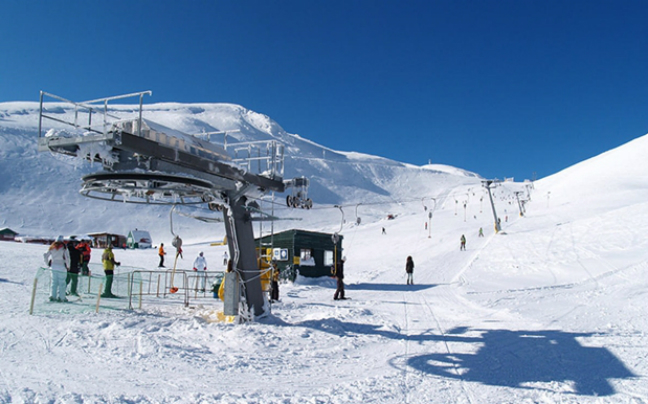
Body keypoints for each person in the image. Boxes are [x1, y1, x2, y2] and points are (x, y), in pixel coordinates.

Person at [44, 235, 70, 302]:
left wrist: (47, 264)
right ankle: (62, 297)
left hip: (53, 267)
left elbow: (45, 255)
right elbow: (67, 258)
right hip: (62, 267)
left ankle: (52, 296)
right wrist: (68, 266)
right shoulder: (64, 248)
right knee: (62, 283)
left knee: (54, 282)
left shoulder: (52, 247)